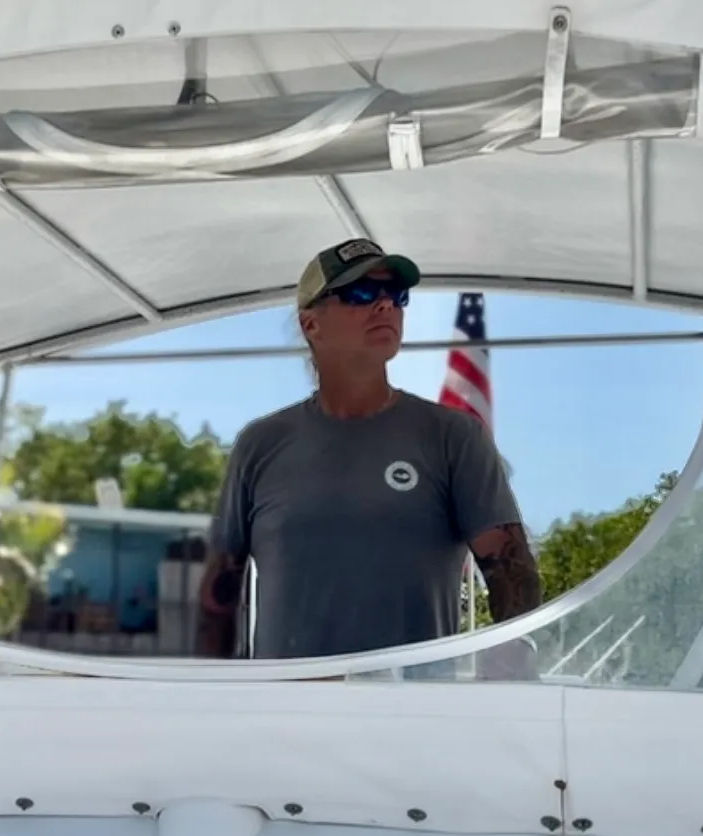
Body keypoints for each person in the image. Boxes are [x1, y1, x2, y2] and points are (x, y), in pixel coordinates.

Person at [195, 238, 542, 679]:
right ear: (311, 324)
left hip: (412, 718)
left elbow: (510, 566)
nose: (385, 306)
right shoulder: (260, 444)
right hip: (284, 717)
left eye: (396, 296)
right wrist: (207, 698)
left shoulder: (454, 436)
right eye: (361, 293)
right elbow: (219, 595)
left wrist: (514, 646)